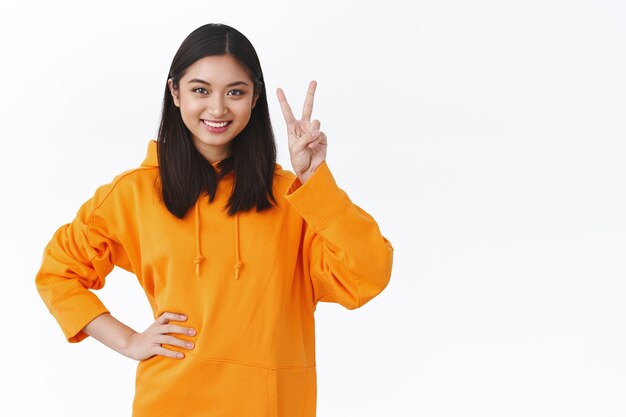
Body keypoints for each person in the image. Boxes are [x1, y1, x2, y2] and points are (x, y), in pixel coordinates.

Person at [35, 23, 393, 417]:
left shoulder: (295, 197)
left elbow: (369, 273)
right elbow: (58, 273)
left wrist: (314, 181)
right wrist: (129, 342)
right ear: (175, 92)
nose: (218, 109)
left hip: (273, 405)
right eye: (200, 90)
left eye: (235, 92)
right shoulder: (133, 193)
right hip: (169, 402)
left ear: (255, 97)